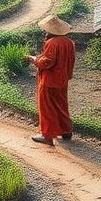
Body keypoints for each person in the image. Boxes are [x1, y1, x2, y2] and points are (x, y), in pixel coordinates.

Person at [26, 14, 75, 146]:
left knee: (47, 107)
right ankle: (66, 131)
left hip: (49, 80)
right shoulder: (69, 43)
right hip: (63, 79)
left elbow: (47, 62)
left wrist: (35, 60)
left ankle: (47, 135)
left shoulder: (51, 43)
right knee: (61, 105)